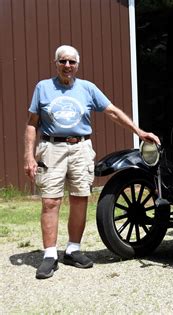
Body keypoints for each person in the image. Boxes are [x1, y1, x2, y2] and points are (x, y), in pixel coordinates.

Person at [23, 45, 160, 279]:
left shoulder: (87, 88)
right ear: (55, 63)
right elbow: (31, 123)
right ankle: (49, 255)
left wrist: (139, 131)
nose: (67, 66)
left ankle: (73, 250)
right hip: (51, 148)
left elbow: (112, 111)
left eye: (72, 62)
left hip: (81, 148)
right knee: (50, 202)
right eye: (63, 61)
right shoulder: (43, 88)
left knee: (80, 199)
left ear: (78, 64)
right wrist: (28, 155)